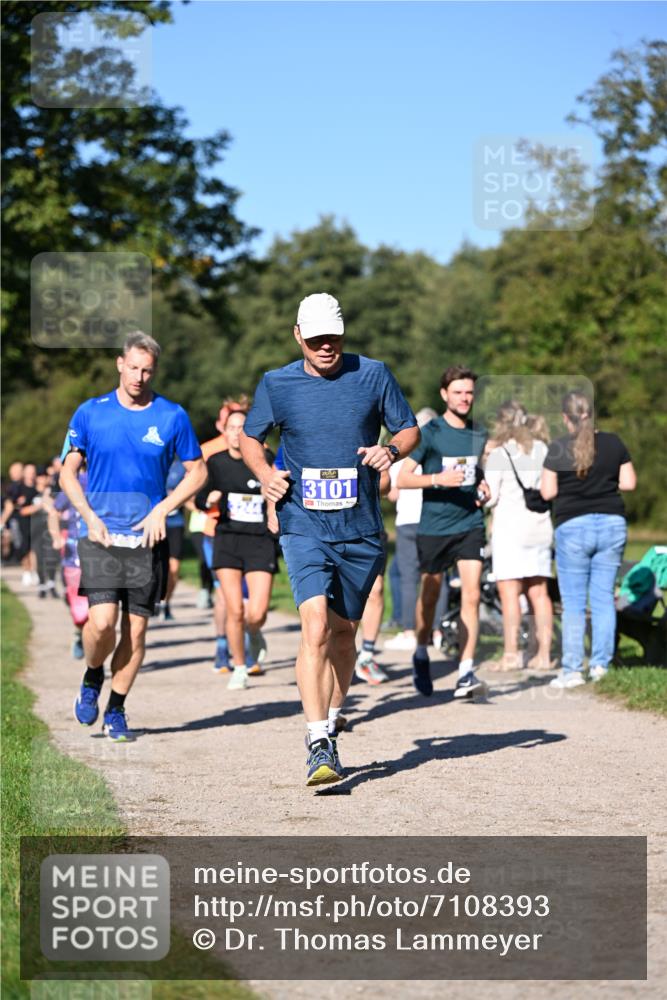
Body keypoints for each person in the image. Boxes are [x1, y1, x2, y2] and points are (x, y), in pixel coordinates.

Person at [240, 292, 419, 786]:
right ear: (298, 335)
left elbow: (408, 430)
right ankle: (318, 739)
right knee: (315, 625)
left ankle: (334, 713)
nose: (326, 346)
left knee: (344, 633)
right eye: (316, 338)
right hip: (303, 522)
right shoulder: (277, 384)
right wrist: (265, 475)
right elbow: (250, 439)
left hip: (360, 526)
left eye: (333, 337)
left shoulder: (373, 374)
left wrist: (390, 451)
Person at [59, 331, 207, 741]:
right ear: (120, 364)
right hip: (102, 533)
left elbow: (198, 471)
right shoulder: (91, 413)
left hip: (147, 539)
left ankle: (117, 710)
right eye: (134, 367)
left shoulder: (171, 415)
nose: (140, 376)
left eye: (148, 370)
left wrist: (165, 507)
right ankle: (92, 676)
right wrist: (86, 514)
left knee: (136, 631)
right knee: (103, 622)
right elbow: (67, 472)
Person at [397, 365, 490, 698]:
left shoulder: (480, 433)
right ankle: (421, 651)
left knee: (472, 593)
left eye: (469, 392)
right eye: (458, 392)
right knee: (431, 594)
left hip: (469, 523)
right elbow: (402, 478)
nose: (465, 398)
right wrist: (437, 479)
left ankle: (465, 671)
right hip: (434, 527)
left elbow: (478, 473)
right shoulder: (431, 432)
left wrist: (483, 487)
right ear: (444, 395)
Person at [541, 390, 636, 688]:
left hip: (573, 526)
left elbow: (547, 493)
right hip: (611, 523)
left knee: (573, 603)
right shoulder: (613, 442)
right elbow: (629, 483)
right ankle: (600, 666)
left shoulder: (557, 447)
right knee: (604, 597)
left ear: (565, 418)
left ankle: (571, 670)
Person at [198, 409, 278, 690]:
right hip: (228, 539)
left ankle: (254, 633)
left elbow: (279, 492)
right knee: (234, 610)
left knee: (256, 612)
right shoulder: (215, 462)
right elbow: (198, 498)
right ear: (224, 431)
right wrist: (209, 498)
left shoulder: (264, 459)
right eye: (231, 427)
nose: (235, 432)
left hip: (259, 540)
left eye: (241, 427)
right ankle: (240, 667)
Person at [485, 401, 554, 670]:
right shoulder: (543, 449)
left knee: (510, 593)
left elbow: (490, 498)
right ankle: (544, 655)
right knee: (539, 593)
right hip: (540, 528)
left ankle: (511, 655)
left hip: (510, 531)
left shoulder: (500, 454)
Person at [385, 407, 439, 652]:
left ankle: (409, 631)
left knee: (409, 578)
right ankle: (437, 631)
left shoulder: (405, 455)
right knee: (437, 578)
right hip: (434, 521)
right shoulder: (440, 454)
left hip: (408, 520)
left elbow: (393, 493)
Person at [158, 456, 187, 620]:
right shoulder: (153, 462)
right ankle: (154, 599)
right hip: (154, 522)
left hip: (175, 523)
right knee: (155, 565)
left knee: (174, 568)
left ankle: (165, 603)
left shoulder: (181, 467)